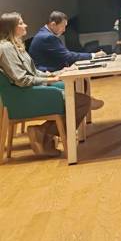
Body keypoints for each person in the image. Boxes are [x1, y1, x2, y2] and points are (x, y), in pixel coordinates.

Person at [0, 12, 103, 156]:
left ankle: (44, 134)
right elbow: (22, 79)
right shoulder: (6, 48)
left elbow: (33, 72)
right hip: (24, 96)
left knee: (79, 99)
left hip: (29, 91)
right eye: (21, 23)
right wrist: (49, 80)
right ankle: (42, 132)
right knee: (81, 102)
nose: (25, 25)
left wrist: (51, 74)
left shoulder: (15, 45)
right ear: (11, 27)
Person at [29, 11, 106, 72]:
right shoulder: (48, 37)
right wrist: (93, 55)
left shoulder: (44, 34)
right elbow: (67, 56)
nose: (64, 30)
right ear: (53, 24)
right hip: (47, 73)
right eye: (63, 26)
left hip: (50, 70)